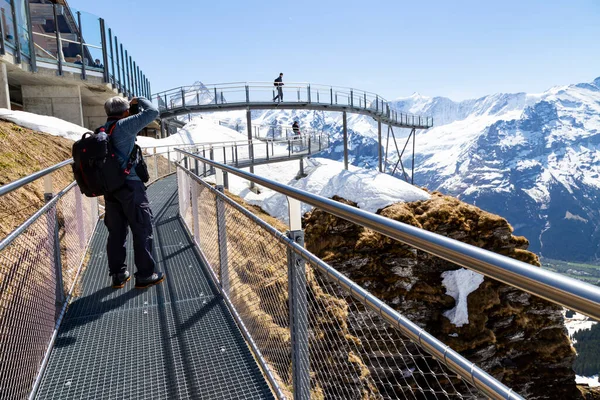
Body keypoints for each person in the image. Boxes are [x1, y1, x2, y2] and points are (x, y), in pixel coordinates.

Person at [102, 96, 164, 289]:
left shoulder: (103, 130)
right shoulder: (124, 125)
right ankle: (146, 274)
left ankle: (119, 275)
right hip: (131, 188)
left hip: (111, 189)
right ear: (126, 111)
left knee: (117, 233)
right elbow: (153, 112)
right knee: (142, 229)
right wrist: (140, 100)